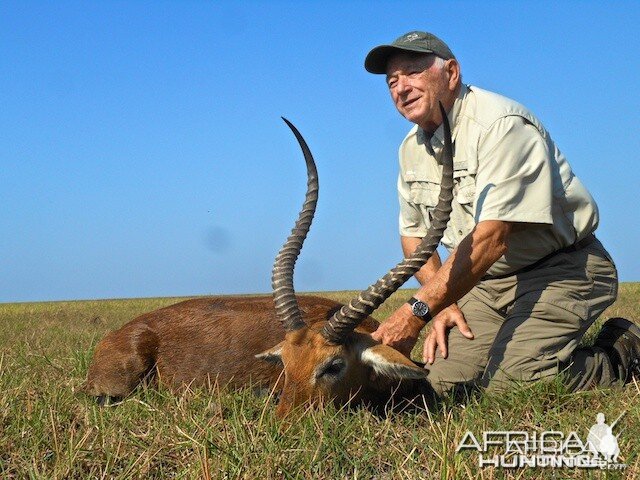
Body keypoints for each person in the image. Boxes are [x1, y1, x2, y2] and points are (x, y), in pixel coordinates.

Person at [366, 31, 640, 398]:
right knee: (443, 386)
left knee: (512, 385)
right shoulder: (410, 148)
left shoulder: (501, 125)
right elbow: (414, 236)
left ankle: (619, 352)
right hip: (488, 283)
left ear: (451, 72)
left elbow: (492, 238)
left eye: (413, 72)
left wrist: (416, 312)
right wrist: (443, 303)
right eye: (391, 81)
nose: (401, 88)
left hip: (561, 269)